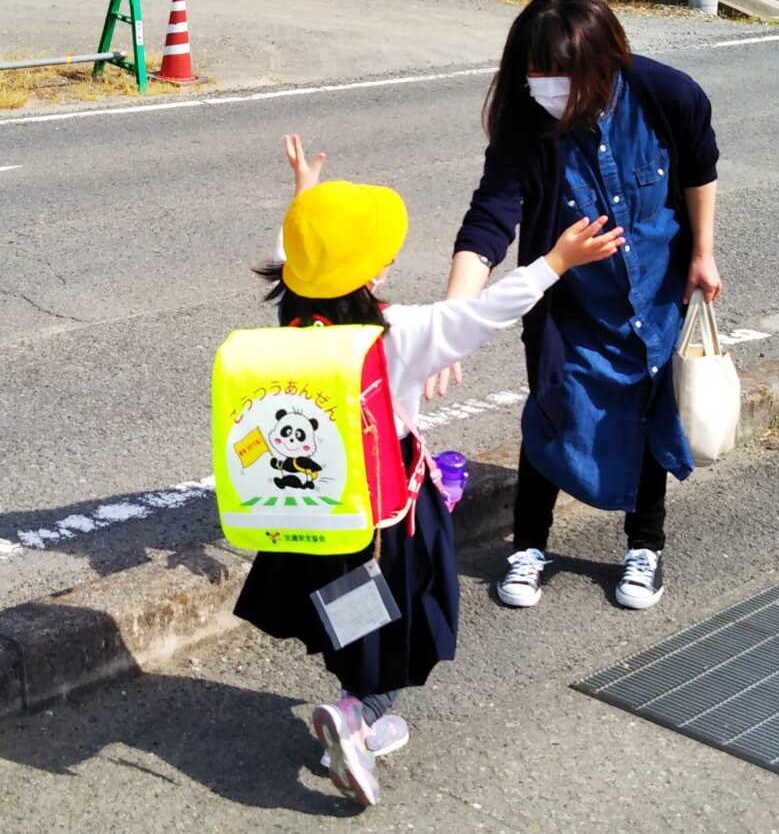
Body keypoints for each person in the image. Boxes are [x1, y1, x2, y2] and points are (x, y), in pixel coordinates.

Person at [233, 134, 624, 807]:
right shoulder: (398, 332)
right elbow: (483, 312)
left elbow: (296, 258)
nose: (387, 263)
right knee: (420, 622)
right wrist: (555, 261)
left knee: (357, 620)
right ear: (368, 275)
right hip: (390, 525)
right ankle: (357, 716)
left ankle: (360, 711)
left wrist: (303, 196)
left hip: (315, 525)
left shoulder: (287, 320)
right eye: (379, 256)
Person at [430, 0, 722, 612]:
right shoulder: (526, 126)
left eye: (558, 72)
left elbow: (700, 169)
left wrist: (703, 252)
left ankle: (645, 545)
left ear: (603, 61)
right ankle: (528, 546)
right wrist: (450, 324)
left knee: (649, 410)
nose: (544, 84)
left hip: (655, 292)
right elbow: (488, 223)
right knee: (552, 411)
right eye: (532, 70)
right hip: (568, 306)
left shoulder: (666, 95)